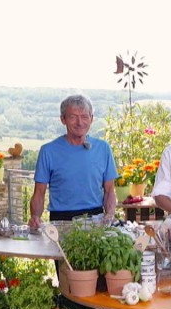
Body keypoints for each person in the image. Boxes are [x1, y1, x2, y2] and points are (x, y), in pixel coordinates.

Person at [29, 95, 118, 227]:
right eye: (73, 117)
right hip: (60, 221)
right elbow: (39, 193)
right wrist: (35, 217)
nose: (79, 122)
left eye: (84, 116)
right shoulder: (48, 151)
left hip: (96, 220)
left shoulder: (103, 149)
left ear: (92, 119)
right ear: (62, 119)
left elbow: (110, 190)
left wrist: (110, 214)